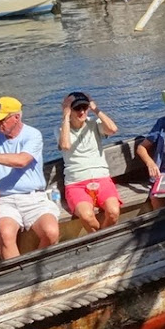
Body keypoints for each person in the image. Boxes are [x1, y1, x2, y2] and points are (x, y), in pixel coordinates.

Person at [0, 96, 60, 259]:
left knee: (51, 232)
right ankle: (19, 270)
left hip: (34, 198)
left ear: (16, 117)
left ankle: (35, 264)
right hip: (4, 199)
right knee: (5, 234)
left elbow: (22, 161)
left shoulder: (33, 135)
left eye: (2, 120)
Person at [58, 91, 120, 233]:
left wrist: (95, 109)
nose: (82, 112)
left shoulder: (94, 124)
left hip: (101, 178)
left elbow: (113, 129)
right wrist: (66, 116)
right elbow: (65, 145)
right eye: (77, 108)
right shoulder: (62, 129)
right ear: (70, 110)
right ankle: (102, 239)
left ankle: (101, 239)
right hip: (77, 183)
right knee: (87, 216)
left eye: (84, 108)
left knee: (113, 212)